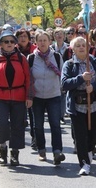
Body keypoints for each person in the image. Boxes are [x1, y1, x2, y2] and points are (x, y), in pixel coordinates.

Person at [0, 30, 30, 166]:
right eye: (6, 41)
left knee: (17, 125)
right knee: (1, 123)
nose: (9, 44)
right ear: (0, 44)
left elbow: (28, 79)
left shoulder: (21, 59)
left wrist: (29, 96)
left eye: (12, 41)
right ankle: (2, 150)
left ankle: (15, 153)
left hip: (18, 96)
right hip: (0, 97)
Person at [61, 36, 96, 175]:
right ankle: (84, 163)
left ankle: (89, 150)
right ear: (73, 49)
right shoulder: (69, 64)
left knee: (93, 135)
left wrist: (93, 86)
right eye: (78, 45)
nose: (81, 47)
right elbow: (64, 84)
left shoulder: (94, 61)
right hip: (77, 105)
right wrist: (81, 78)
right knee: (80, 136)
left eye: (83, 45)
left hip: (93, 103)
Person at [27, 30, 66, 165]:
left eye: (45, 40)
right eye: (40, 40)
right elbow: (28, 78)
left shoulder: (56, 56)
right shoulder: (31, 58)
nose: (42, 43)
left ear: (50, 42)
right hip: (37, 97)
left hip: (53, 95)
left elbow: (62, 75)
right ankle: (42, 150)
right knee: (38, 126)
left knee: (55, 124)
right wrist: (28, 97)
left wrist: (62, 91)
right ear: (36, 42)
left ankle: (57, 151)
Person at [15, 28, 37, 150]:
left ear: (29, 38)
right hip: (18, 86)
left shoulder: (35, 51)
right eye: (20, 36)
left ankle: (35, 137)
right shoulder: (13, 50)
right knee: (19, 115)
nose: (22, 39)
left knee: (33, 114)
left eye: (25, 36)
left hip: (32, 86)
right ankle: (19, 138)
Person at [52, 27, 69, 124]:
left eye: (61, 33)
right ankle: (55, 116)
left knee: (63, 95)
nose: (59, 36)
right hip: (53, 74)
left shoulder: (69, 48)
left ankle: (61, 116)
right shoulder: (51, 48)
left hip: (64, 73)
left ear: (64, 36)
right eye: (57, 34)